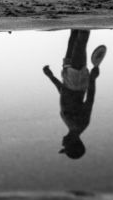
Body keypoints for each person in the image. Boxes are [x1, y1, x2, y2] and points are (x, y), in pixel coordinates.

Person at [42, 29, 106, 159]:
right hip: (77, 81)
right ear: (73, 143)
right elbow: (90, 100)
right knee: (80, 41)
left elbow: (64, 93)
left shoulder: (72, 125)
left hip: (68, 80)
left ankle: (82, 16)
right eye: (65, 147)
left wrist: (51, 76)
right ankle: (88, 15)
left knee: (73, 37)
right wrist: (92, 79)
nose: (62, 143)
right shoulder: (79, 124)